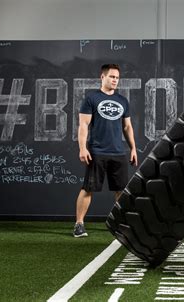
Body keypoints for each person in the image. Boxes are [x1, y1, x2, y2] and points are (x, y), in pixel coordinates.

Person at [73, 63, 137, 238]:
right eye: (112, 77)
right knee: (88, 189)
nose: (115, 80)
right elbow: (83, 125)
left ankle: (122, 224)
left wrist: (133, 148)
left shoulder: (123, 100)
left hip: (118, 152)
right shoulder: (91, 98)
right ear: (103, 77)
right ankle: (79, 224)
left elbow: (127, 127)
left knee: (121, 191)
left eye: (117, 77)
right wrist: (82, 148)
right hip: (97, 152)